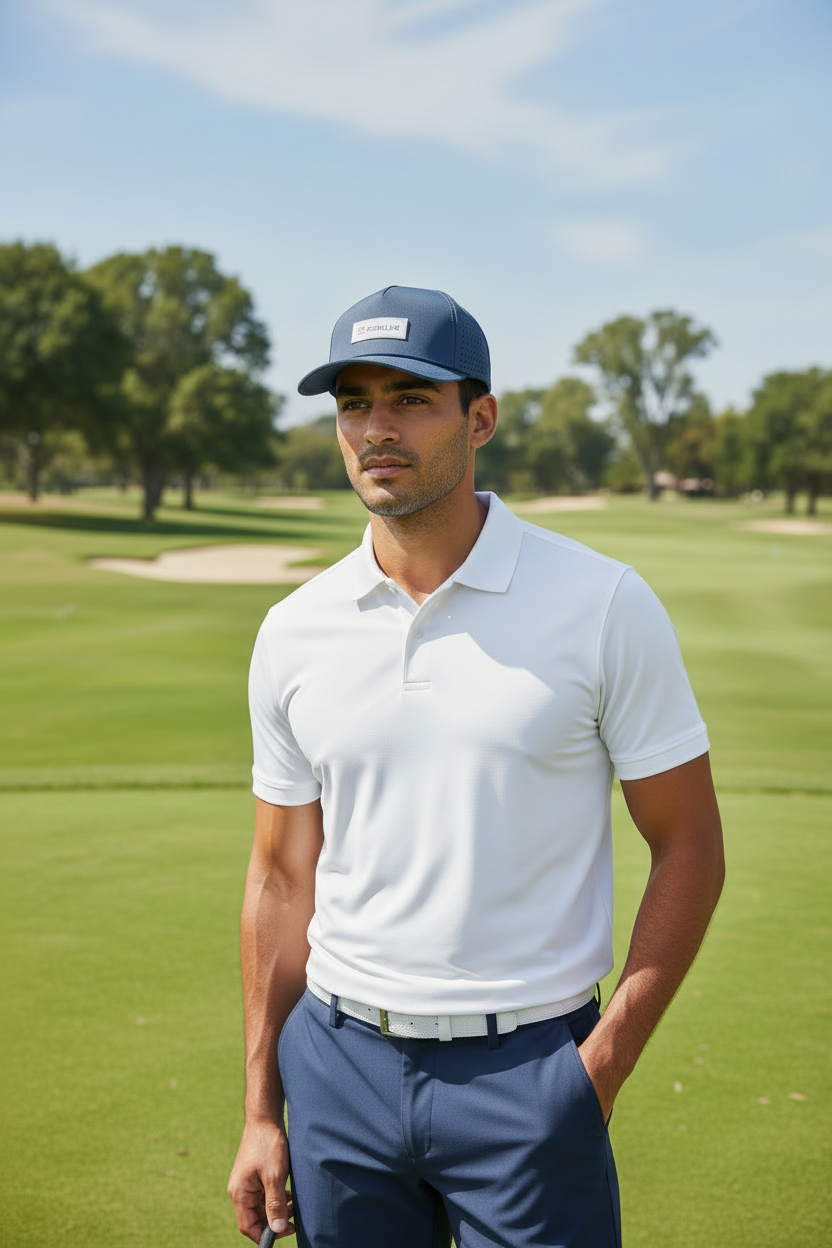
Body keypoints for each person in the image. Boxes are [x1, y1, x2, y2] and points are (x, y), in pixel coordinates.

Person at [228, 286, 725, 1248]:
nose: (376, 428)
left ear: (480, 416)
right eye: (353, 402)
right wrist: (260, 1107)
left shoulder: (603, 604)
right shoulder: (293, 631)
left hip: (532, 1071)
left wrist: (598, 1069)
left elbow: (690, 843)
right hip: (335, 1067)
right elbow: (282, 875)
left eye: (411, 399)